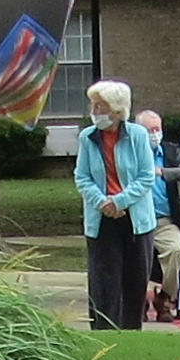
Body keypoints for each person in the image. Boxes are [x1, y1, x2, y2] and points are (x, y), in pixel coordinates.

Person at [75, 82, 162, 332]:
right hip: (101, 219)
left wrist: (120, 201)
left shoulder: (137, 135)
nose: (94, 110)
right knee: (104, 284)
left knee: (134, 282)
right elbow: (82, 177)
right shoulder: (87, 137)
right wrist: (102, 202)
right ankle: (104, 333)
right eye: (93, 105)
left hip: (135, 220)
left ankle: (131, 333)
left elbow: (146, 176)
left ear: (116, 110)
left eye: (100, 106)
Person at [139, 107, 180, 324]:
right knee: (132, 258)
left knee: (176, 251)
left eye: (157, 129)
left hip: (164, 220)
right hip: (136, 220)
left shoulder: (170, 152)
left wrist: (163, 172)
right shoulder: (130, 152)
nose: (154, 134)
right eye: (149, 130)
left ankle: (165, 297)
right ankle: (137, 299)